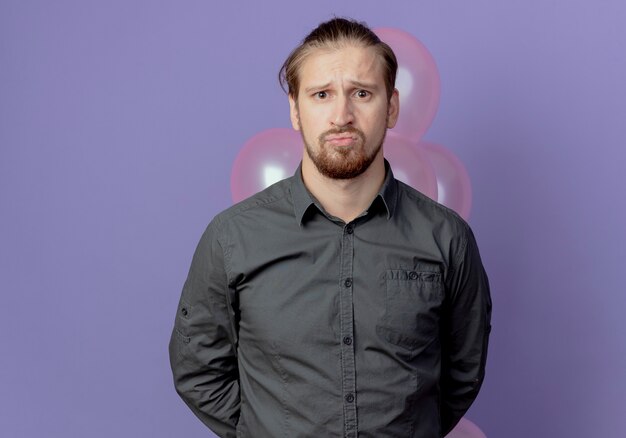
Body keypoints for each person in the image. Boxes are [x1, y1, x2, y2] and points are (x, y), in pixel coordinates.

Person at [169, 17, 492, 438]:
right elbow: (198, 370)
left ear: (391, 106)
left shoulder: (447, 238)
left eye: (362, 93)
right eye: (321, 94)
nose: (342, 116)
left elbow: (462, 375)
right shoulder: (232, 238)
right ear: (295, 109)